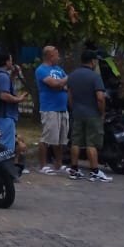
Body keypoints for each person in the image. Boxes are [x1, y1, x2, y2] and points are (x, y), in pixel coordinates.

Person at [66, 48, 110, 182]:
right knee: (92, 143)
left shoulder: (72, 75)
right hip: (92, 114)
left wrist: (74, 109)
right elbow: (100, 98)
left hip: (77, 113)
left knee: (76, 142)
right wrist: (102, 112)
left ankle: (74, 169)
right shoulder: (95, 77)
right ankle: (94, 171)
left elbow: (70, 96)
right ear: (93, 61)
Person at [34, 45, 70, 174]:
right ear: (50, 56)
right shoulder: (41, 70)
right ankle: (43, 165)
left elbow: (64, 85)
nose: (59, 57)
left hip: (62, 108)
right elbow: (55, 84)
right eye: (56, 55)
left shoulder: (59, 69)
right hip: (50, 108)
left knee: (60, 139)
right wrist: (65, 81)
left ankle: (58, 164)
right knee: (47, 138)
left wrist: (62, 84)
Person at [0, 49, 25, 174]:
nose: (12, 62)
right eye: (10, 60)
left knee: (0, 144)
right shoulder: (3, 76)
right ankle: (3, 173)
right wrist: (18, 99)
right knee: (6, 147)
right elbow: (4, 95)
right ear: (6, 62)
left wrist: (13, 75)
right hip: (5, 115)